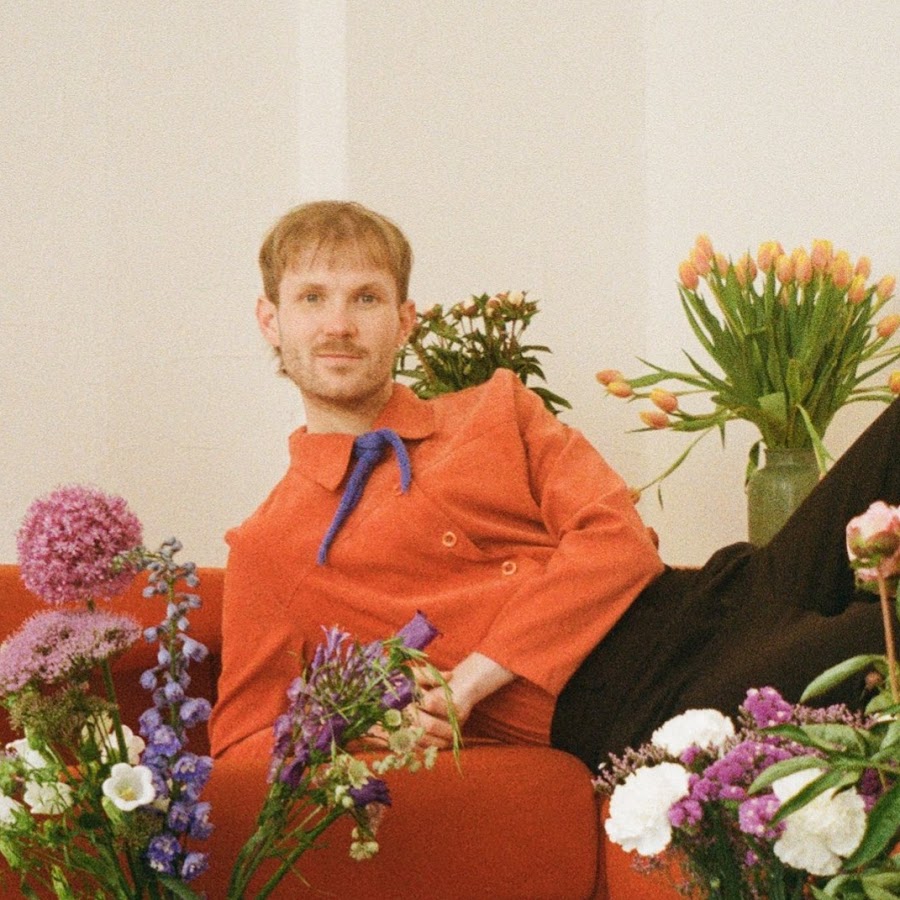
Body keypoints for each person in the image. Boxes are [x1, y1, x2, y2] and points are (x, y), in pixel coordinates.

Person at [209, 200, 890, 774]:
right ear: (271, 320)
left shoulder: (499, 408)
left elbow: (620, 539)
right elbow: (243, 745)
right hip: (640, 703)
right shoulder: (269, 550)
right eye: (312, 298)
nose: (338, 324)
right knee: (882, 637)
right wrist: (373, 725)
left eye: (366, 297)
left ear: (405, 319)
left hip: (715, 594)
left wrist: (469, 682)